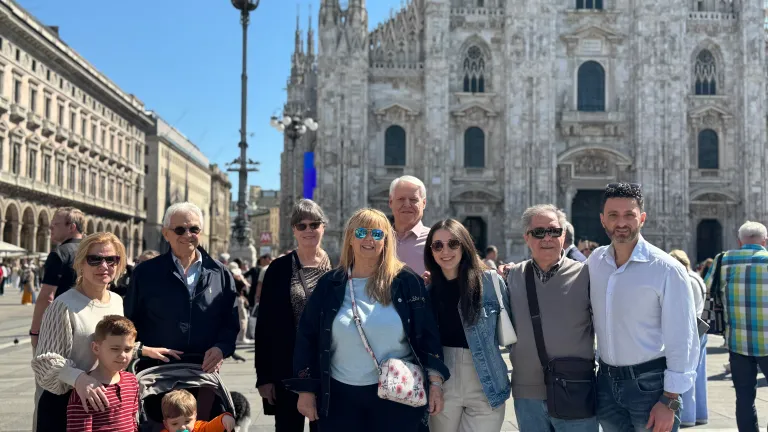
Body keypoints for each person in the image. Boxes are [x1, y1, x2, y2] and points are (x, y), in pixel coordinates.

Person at [287, 208, 449, 432]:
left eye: (378, 233)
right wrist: (305, 390)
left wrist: (436, 383)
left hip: (397, 395)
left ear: (386, 240)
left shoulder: (407, 281)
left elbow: (428, 334)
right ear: (350, 238)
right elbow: (308, 336)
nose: (369, 239)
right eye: (361, 232)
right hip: (340, 397)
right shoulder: (330, 284)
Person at [589, 183, 699, 432]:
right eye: (613, 215)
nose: (621, 223)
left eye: (629, 215)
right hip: (606, 384)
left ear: (642, 218)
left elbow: (683, 338)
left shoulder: (667, 269)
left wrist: (670, 400)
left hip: (650, 386)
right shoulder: (596, 262)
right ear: (603, 220)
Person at [506, 205, 597, 432]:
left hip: (575, 389)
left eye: (554, 231)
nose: (547, 238)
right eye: (539, 232)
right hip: (527, 394)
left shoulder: (586, 274)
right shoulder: (512, 276)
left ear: (563, 236)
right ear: (527, 237)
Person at [126, 202, 239, 373]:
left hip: (203, 371)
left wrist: (221, 348)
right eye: (179, 230)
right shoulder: (145, 273)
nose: (188, 235)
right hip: (155, 371)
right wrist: (142, 350)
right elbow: (129, 320)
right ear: (166, 233)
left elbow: (230, 322)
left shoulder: (219, 273)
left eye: (194, 229)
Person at [31, 232, 128, 431]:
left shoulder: (116, 301)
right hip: (65, 405)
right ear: (81, 263)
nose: (104, 266)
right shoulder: (63, 305)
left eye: (111, 259)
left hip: (102, 403)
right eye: (95, 259)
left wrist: (140, 349)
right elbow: (45, 361)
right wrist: (79, 378)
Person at [425, 219, 511, 432]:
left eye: (453, 244)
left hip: (486, 381)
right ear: (431, 251)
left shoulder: (490, 282)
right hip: (443, 380)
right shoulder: (427, 291)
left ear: (464, 245)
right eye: (438, 245)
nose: (446, 251)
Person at [254, 199, 332, 432]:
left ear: (323, 227)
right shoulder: (278, 269)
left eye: (314, 224)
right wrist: (264, 377)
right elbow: (264, 326)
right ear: (294, 230)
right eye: (301, 225)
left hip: (327, 367)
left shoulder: (338, 268)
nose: (308, 230)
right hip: (286, 365)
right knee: (288, 427)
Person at [705, 221, 768, 432]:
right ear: (765, 241)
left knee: (744, 398)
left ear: (739, 241)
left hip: (738, 342)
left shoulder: (723, 260)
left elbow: (708, 289)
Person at [66, 315, 140, 432]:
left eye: (127, 349)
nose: (122, 355)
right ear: (96, 348)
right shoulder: (86, 390)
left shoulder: (132, 381)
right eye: (115, 349)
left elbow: (133, 421)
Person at [30, 207, 85, 349]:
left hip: (61, 326)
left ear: (72, 227)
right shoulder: (92, 251)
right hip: (87, 323)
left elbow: (47, 297)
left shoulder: (60, 254)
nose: (50, 227)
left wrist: (35, 332)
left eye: (55, 224)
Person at [669, 249, 709, 427]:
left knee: (686, 374)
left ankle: (687, 416)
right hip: (700, 329)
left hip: (690, 330)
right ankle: (700, 414)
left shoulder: (686, 280)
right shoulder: (697, 278)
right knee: (698, 376)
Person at [389, 175, 430, 276]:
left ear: (424, 203)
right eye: (401, 199)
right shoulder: (378, 239)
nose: (407, 204)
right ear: (391, 202)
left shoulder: (435, 240)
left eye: (413, 200)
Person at [160, 389, 236, 432]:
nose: (182, 427)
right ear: (166, 425)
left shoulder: (199, 428)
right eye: (175, 424)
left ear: (195, 418)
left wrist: (223, 419)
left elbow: (212, 427)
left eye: (187, 421)